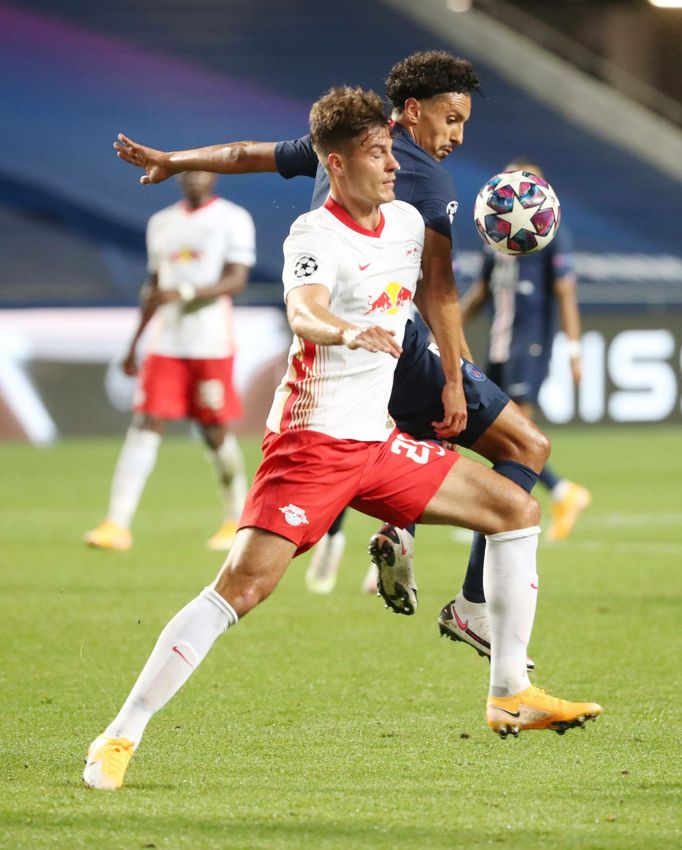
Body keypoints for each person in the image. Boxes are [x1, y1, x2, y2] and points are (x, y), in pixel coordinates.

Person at [84, 87, 601, 790]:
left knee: (516, 507)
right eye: (377, 153)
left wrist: (453, 377)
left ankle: (509, 692)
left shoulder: (408, 225)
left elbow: (439, 293)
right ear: (336, 163)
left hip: (379, 443)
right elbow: (305, 310)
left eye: (392, 150)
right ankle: (118, 736)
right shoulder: (314, 236)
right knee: (240, 588)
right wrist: (346, 330)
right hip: (313, 445)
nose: (393, 165)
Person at [111, 51, 551, 667]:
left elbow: (247, 155)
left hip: (351, 358)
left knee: (415, 442)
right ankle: (473, 604)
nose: (456, 136)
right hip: (395, 347)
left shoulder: (344, 143)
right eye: (451, 120)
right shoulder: (421, 177)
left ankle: (402, 524)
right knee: (526, 447)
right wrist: (454, 376)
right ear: (415, 111)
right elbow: (440, 287)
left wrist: (172, 158)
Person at [84, 172, 255, 552]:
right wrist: (133, 343)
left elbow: (237, 279)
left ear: (214, 175)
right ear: (178, 179)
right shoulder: (161, 223)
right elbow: (154, 288)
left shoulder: (233, 218)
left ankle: (235, 520)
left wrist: (188, 291)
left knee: (214, 432)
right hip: (166, 344)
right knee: (146, 423)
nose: (195, 178)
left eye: (202, 169)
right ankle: (117, 523)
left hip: (211, 343)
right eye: (187, 171)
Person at [461, 160, 591, 542]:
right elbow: (480, 293)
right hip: (500, 346)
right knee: (491, 433)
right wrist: (445, 326)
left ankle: (510, 519)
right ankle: (563, 493)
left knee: (520, 436)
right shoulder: (495, 236)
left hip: (530, 343)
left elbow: (566, 293)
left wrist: (575, 351)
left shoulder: (550, 232)